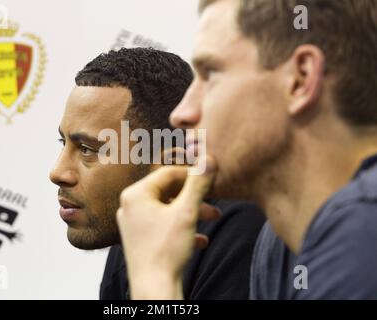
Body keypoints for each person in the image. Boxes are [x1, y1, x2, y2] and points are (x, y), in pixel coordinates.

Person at [116, 0, 377, 299]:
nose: (181, 114)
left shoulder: (365, 232)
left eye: (210, 74)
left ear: (300, 79)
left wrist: (154, 275)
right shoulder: (276, 244)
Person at [49, 47, 265, 299]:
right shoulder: (133, 225)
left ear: (168, 164)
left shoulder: (241, 232)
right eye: (63, 142)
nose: (57, 172)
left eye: (87, 149)